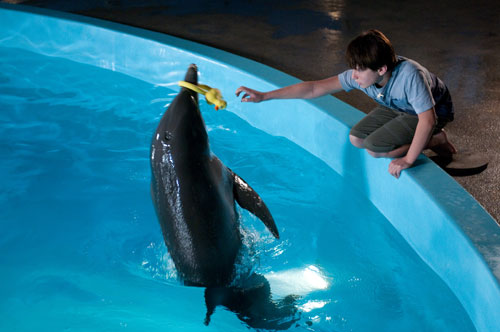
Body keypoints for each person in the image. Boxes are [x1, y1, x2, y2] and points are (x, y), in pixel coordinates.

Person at [235, 29, 456, 179]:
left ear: (381, 70)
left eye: (360, 69)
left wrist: (408, 160)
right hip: (397, 106)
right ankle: (429, 139)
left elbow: (428, 119)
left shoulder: (409, 76)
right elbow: (313, 88)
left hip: (431, 112)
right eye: (354, 68)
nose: (354, 75)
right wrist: (265, 96)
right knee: (356, 138)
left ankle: (436, 139)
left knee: (375, 149)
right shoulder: (363, 74)